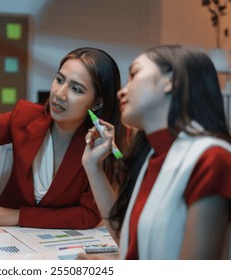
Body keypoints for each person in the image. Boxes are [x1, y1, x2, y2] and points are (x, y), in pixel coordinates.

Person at [80, 45, 231, 259]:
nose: (122, 91)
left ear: (171, 81)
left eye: (134, 75)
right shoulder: (152, 154)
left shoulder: (211, 159)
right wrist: (92, 167)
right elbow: (130, 240)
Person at [0, 47, 127, 229]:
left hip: (51, 246)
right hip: (0, 235)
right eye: (59, 80)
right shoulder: (25, 117)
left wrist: (19, 216)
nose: (59, 94)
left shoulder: (99, 143)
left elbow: (87, 215)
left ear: (97, 103)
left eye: (76, 89)